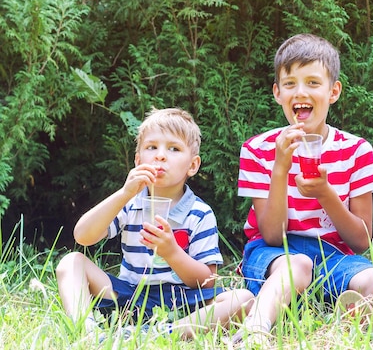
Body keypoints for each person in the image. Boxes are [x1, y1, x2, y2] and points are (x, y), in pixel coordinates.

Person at [234, 34, 373, 343]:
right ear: (277, 93)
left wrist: (326, 194)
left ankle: (337, 316)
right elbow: (272, 234)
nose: (301, 92)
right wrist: (281, 167)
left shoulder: (356, 151)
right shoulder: (258, 150)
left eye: (313, 82)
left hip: (334, 256)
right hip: (274, 255)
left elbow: (362, 239)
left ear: (333, 91)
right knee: (296, 265)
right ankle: (256, 328)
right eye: (290, 84)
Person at [55, 108, 253, 340]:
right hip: (129, 298)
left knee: (243, 299)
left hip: (183, 304)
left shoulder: (199, 213)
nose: (160, 156)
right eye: (152, 147)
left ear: (193, 165)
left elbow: (207, 280)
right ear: (138, 160)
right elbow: (83, 236)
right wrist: (123, 193)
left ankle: (158, 334)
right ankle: (88, 334)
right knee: (70, 262)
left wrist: (172, 253)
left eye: (174, 149)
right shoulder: (130, 204)